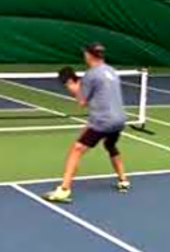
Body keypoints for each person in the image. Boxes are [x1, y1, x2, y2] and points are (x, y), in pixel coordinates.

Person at [44, 42, 130, 203]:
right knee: (110, 145)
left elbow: (82, 101)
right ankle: (123, 180)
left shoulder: (91, 75)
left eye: (85, 53)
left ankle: (63, 190)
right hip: (119, 119)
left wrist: (71, 84)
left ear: (89, 55)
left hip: (103, 121)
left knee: (76, 149)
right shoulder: (111, 71)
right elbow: (102, 98)